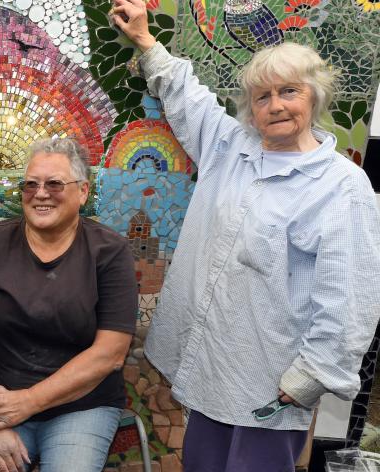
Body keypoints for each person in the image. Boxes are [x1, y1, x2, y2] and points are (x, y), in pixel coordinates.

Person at [111, 0, 380, 469]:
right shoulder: (232, 147)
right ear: (250, 108)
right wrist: (145, 41)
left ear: (314, 97)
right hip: (211, 364)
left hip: (273, 378)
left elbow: (351, 296)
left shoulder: (341, 184)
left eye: (289, 91)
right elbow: (186, 95)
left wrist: (311, 377)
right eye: (262, 96)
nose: (275, 105)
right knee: (200, 464)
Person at [0, 138, 138, 472]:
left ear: (83, 192)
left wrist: (28, 402)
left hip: (82, 406)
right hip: (0, 403)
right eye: (30, 184)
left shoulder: (109, 252)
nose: (40, 194)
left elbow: (110, 354)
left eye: (55, 184)